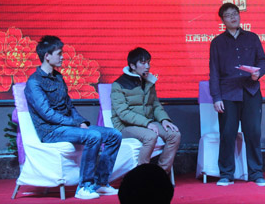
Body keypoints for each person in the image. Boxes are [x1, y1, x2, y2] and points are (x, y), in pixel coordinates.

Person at [25, 35, 121, 200]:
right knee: (93, 136)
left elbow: (69, 106)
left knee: (114, 135)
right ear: (47, 56)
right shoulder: (34, 82)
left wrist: (81, 121)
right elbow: (47, 114)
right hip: (51, 131)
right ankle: (84, 187)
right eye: (59, 53)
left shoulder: (58, 78)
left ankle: (101, 182)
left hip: (68, 127)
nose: (62, 57)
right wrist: (75, 124)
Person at [209, 3, 265, 186]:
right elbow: (214, 71)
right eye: (228, 15)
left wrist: (258, 73)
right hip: (228, 94)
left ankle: (256, 174)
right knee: (227, 134)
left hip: (251, 91)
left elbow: (262, 61)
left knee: (253, 133)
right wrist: (216, 97)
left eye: (235, 13)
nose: (233, 17)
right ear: (222, 20)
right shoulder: (217, 43)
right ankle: (226, 174)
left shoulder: (252, 38)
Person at [110, 47, 181, 175]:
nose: (147, 66)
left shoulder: (149, 82)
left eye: (148, 62)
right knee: (150, 136)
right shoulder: (119, 85)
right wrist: (147, 123)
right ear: (132, 66)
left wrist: (164, 120)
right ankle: (142, 175)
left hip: (147, 123)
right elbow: (123, 113)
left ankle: (161, 174)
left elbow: (155, 105)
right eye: (143, 63)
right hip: (125, 126)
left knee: (174, 135)